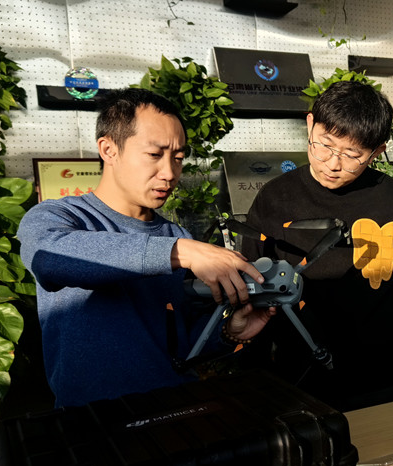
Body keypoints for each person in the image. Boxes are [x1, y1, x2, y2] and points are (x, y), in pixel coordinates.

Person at [19, 88, 274, 408]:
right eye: (154, 154)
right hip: (92, 422)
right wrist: (181, 252)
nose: (169, 173)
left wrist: (228, 331)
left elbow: (180, 343)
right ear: (109, 149)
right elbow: (48, 258)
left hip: (175, 412)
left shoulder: (174, 234)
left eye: (178, 158)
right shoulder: (60, 217)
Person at [240, 81, 393, 411]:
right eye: (324, 146)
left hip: (380, 383)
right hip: (296, 381)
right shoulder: (275, 198)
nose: (332, 163)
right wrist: (253, 377)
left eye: (352, 155)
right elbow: (252, 290)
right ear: (310, 124)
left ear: (376, 152)